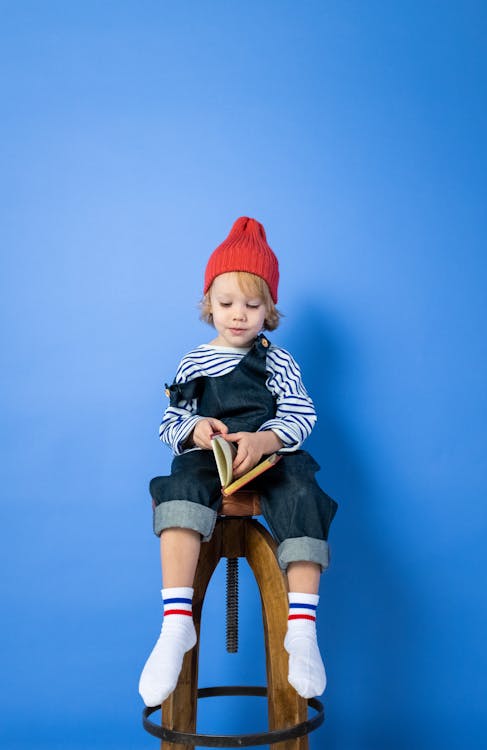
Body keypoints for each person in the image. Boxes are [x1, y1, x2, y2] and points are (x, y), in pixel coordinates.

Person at [139, 216, 337, 707]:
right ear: (208, 303)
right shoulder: (194, 362)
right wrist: (196, 430)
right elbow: (170, 422)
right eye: (227, 303)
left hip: (270, 457)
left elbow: (300, 413)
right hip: (212, 458)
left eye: (253, 305)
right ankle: (175, 622)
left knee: (302, 493)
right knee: (179, 486)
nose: (239, 315)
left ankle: (303, 629)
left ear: (269, 309)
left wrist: (267, 440)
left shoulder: (278, 361)